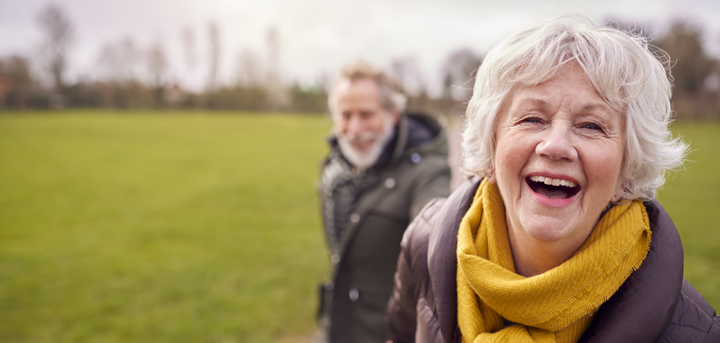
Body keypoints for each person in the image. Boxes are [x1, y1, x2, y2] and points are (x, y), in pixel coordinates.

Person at [386, 15, 720, 343]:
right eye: (532, 118)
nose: (556, 146)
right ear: (492, 146)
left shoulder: (699, 333)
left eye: (591, 126)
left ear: (626, 172)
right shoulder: (423, 242)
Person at [317, 61, 451, 343]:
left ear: (392, 114)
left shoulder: (428, 171)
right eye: (345, 115)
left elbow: (435, 229)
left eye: (367, 114)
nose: (354, 128)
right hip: (338, 326)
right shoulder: (335, 168)